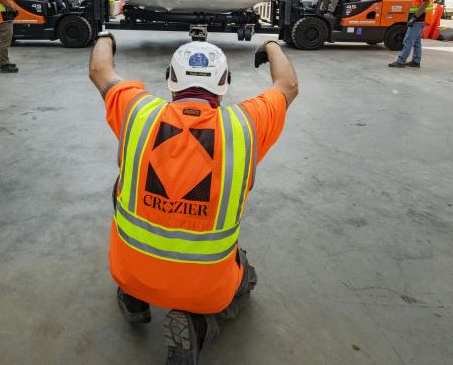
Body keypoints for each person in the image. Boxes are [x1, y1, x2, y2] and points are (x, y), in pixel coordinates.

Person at [89, 33, 298, 364]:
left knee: (122, 185)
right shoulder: (246, 126)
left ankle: (133, 296)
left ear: (170, 80)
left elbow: (100, 68)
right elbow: (287, 85)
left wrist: (106, 36)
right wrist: (270, 45)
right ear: (225, 83)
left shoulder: (137, 112)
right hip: (205, 287)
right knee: (243, 276)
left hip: (129, 270)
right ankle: (197, 323)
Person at [389, 0, 434, 68]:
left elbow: (425, 4)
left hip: (419, 19)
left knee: (408, 40)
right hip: (419, 18)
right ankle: (416, 61)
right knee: (416, 41)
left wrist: (414, 18)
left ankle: (401, 61)